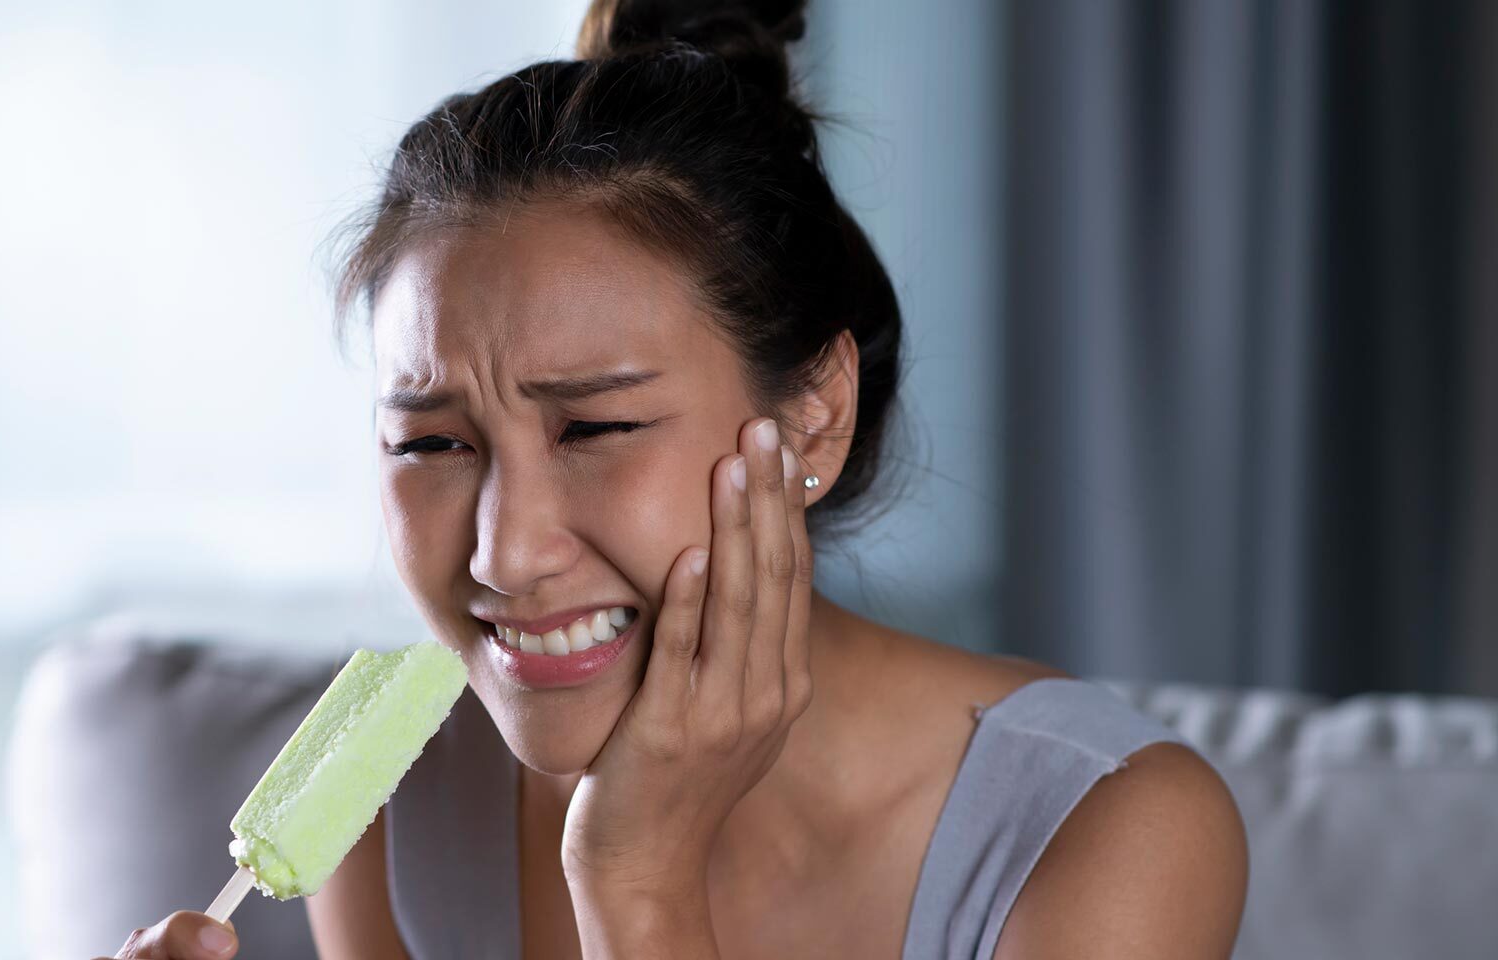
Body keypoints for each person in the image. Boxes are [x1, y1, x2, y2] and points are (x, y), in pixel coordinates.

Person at [102, 0, 1247, 957]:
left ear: (811, 418)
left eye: (594, 427)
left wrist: (639, 886)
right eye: (433, 444)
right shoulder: (393, 823)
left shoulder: (1106, 834)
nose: (504, 555)